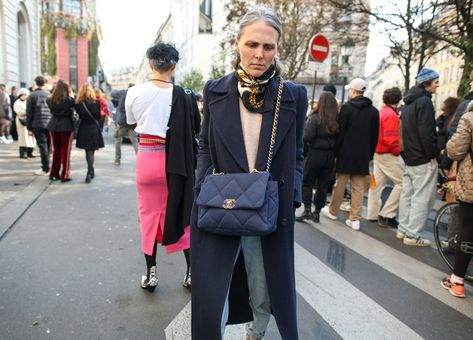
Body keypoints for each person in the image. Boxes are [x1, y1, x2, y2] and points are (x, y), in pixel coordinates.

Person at [191, 7, 307, 340]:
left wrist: (293, 196)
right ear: (238, 43)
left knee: (265, 283)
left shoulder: (293, 95)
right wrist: (202, 186)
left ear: (277, 48)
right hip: (220, 201)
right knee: (216, 286)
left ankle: (255, 333)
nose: (259, 54)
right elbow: (204, 146)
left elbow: (297, 152)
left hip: (268, 205)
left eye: (268, 47)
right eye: (252, 44)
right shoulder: (215, 89)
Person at [125, 42, 197, 293]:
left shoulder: (134, 93)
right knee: (181, 213)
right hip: (175, 161)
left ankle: (151, 274)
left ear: (150, 64)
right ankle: (190, 273)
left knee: (148, 216)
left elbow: (131, 121)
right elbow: (196, 128)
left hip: (147, 157)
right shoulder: (186, 94)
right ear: (174, 65)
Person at [321, 78, 379, 231]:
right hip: (363, 154)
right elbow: (375, 136)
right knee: (358, 187)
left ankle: (333, 210)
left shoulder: (347, 108)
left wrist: (337, 152)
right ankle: (355, 219)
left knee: (340, 183)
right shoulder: (373, 111)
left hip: (346, 152)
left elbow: (341, 133)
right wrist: (370, 155)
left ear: (353, 91)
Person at [397, 68, 440, 246]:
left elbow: (403, 131)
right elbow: (427, 132)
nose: (438, 85)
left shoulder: (408, 103)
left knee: (408, 195)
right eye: (435, 82)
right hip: (422, 157)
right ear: (426, 83)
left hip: (410, 157)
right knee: (422, 198)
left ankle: (403, 229)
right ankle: (412, 235)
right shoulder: (425, 103)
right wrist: (432, 155)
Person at [441, 101, 473, 298]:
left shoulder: (469, 117)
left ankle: (457, 281)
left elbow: (455, 151)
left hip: (471, 184)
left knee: (468, 231)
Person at [297, 91, 339, 223]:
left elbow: (307, 136)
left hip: (315, 153)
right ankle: (317, 212)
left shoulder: (315, 118)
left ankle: (307, 208)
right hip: (330, 156)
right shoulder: (337, 120)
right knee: (323, 185)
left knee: (307, 181)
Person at [366, 87, 404, 228]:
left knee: (376, 184)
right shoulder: (392, 115)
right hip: (388, 153)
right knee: (403, 182)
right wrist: (396, 152)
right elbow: (391, 138)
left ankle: (372, 213)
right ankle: (387, 213)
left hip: (378, 153)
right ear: (398, 100)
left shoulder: (381, 112)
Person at [75, 84, 104, 183]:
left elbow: (79, 116)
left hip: (84, 128)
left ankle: (90, 171)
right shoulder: (96, 103)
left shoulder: (78, 103)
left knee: (88, 151)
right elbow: (98, 117)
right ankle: (90, 171)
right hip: (93, 128)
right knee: (92, 151)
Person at [46, 80, 75, 182]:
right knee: (66, 151)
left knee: (56, 150)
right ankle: (65, 174)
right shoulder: (69, 100)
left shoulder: (49, 100)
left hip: (53, 125)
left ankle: (54, 173)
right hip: (66, 126)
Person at [26, 76, 52, 175]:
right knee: (48, 146)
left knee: (42, 146)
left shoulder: (32, 96)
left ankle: (45, 167)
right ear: (44, 83)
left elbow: (29, 112)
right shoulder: (49, 95)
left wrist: (29, 126)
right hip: (49, 123)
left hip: (37, 124)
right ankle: (48, 165)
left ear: (36, 83)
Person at [114, 83, 138, 165]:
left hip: (122, 122)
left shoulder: (123, 92)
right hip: (132, 123)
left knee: (118, 140)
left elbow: (113, 93)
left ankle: (117, 160)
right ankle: (140, 160)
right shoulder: (137, 95)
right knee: (135, 141)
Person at [14, 88, 36, 158]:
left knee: (30, 137)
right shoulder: (17, 103)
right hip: (21, 121)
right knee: (23, 137)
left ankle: (30, 152)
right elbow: (19, 112)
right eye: (25, 95)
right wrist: (27, 111)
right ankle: (23, 153)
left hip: (29, 121)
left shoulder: (28, 101)